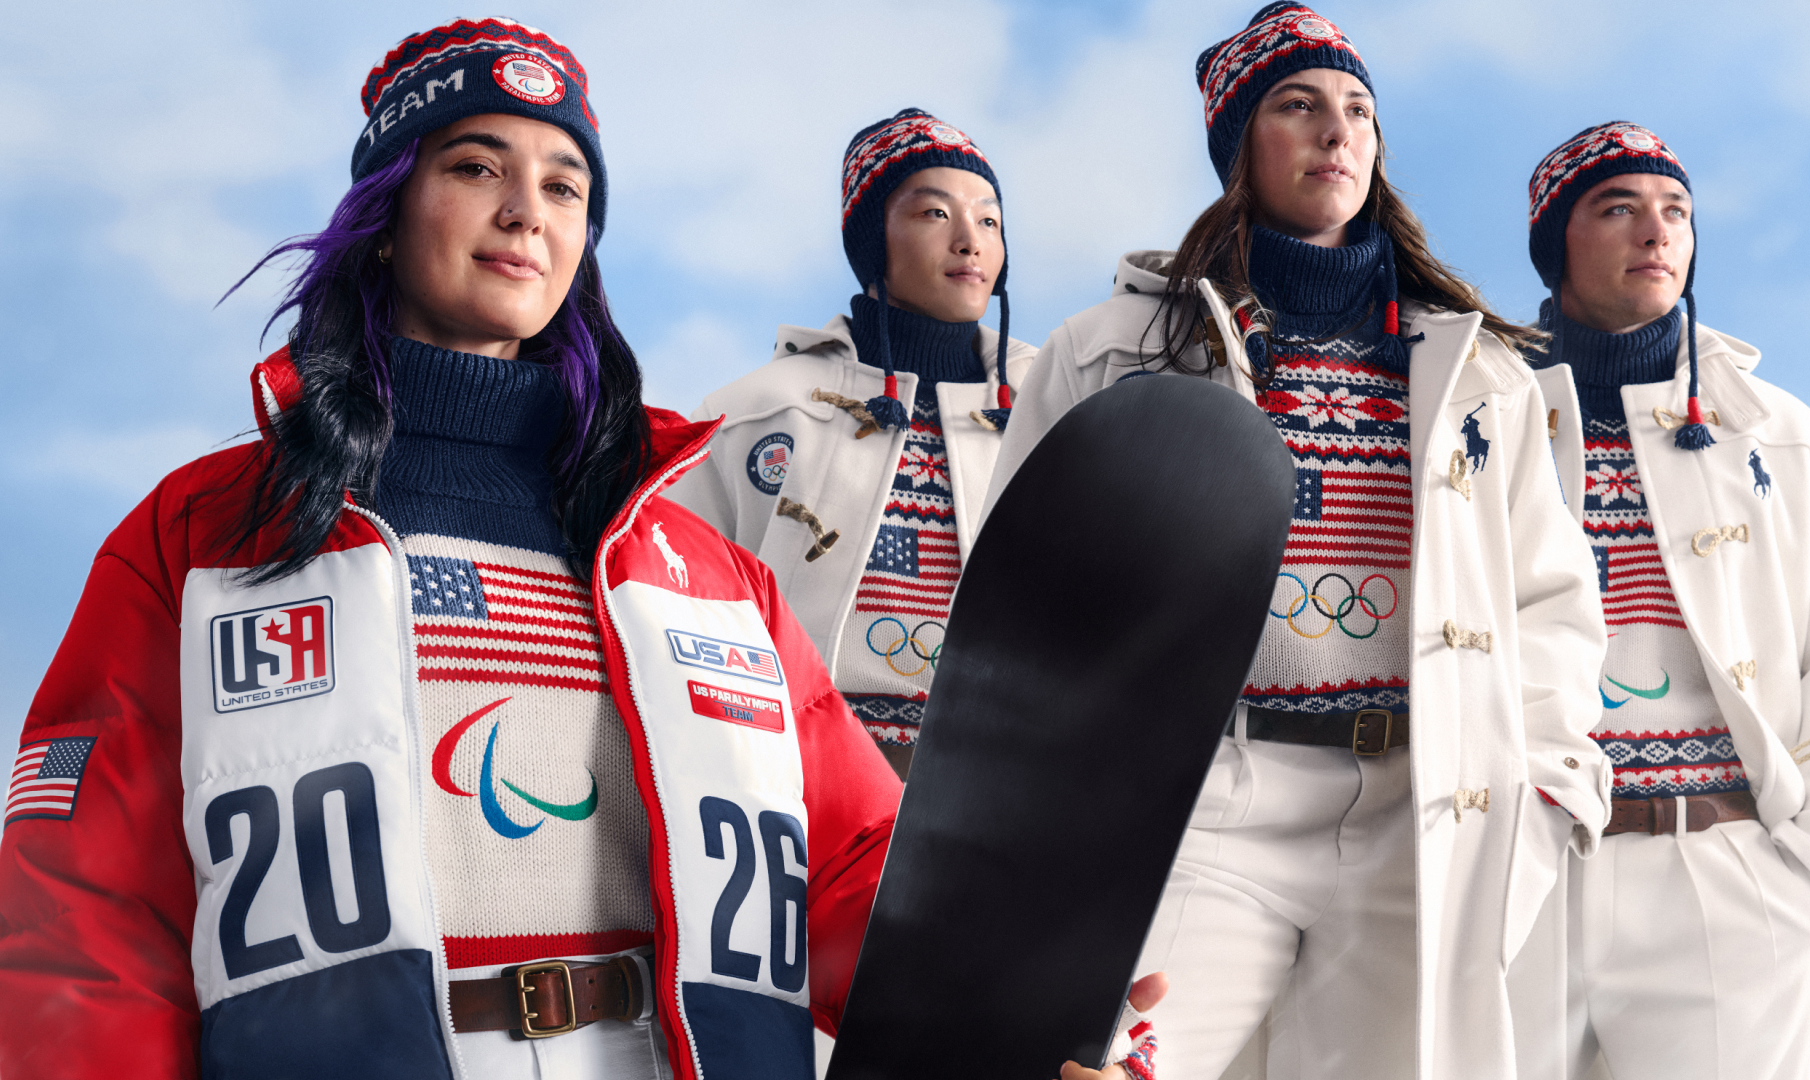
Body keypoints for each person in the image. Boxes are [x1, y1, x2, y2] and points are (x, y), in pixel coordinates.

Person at [0, 19, 904, 1079]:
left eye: (566, 189)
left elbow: (853, 871)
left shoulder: (704, 575)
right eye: (477, 166)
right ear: (385, 217)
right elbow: (86, 914)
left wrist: (1043, 998)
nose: (526, 210)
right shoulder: (199, 541)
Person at [984, 5, 1611, 1078]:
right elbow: (1017, 587)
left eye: (1359, 110)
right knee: (1108, 1063)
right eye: (1299, 105)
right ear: (1239, 146)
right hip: (1197, 798)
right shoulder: (1109, 349)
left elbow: (1551, 601)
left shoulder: (1479, 373)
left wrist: (1548, 786)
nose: (1338, 131)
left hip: (1421, 816)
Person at [1512, 121, 1810, 1080]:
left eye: (1676, 212)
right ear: (1558, 242)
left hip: (1726, 871)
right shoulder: (1485, 420)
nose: (1656, 232)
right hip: (1527, 876)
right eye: (1618, 209)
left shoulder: (1781, 436)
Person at [674, 109, 1035, 780]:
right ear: (875, 244)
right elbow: (674, 603)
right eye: (934, 214)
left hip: (1003, 777)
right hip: (802, 777)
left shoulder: (1055, 406)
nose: (971, 241)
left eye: (989, 221)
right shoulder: (757, 411)